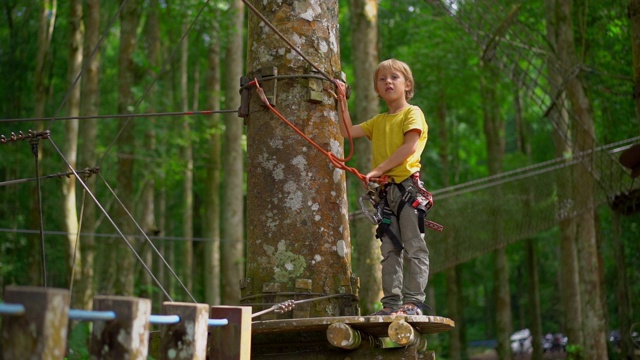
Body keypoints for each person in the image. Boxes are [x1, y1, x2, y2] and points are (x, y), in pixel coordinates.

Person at [335, 59, 431, 316]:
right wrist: (342, 101)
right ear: (377, 89)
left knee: (414, 246)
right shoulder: (377, 122)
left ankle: (413, 302)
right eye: (382, 79)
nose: (388, 81)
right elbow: (346, 131)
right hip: (386, 194)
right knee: (389, 251)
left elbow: (409, 147)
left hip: (407, 189)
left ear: (407, 84)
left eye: (395, 77)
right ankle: (391, 305)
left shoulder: (413, 113)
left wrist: (377, 170)